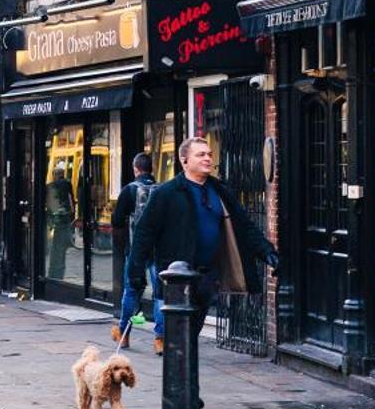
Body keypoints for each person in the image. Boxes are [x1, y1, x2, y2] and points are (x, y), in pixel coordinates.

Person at [123, 136, 277, 360]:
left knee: (190, 340)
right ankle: (178, 393)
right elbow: (143, 235)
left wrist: (267, 252)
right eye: (201, 154)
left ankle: (188, 392)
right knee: (178, 342)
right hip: (176, 280)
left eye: (209, 154)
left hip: (207, 277)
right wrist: (136, 277)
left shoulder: (219, 190)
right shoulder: (166, 193)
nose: (208, 158)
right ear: (184, 160)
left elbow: (244, 225)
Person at [110, 153, 157, 345]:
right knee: (160, 292)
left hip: (135, 249)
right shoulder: (162, 190)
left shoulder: (129, 190)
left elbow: (116, 220)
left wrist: (122, 246)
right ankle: (160, 338)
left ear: (135, 169)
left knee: (131, 290)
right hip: (158, 250)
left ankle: (124, 334)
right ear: (151, 169)